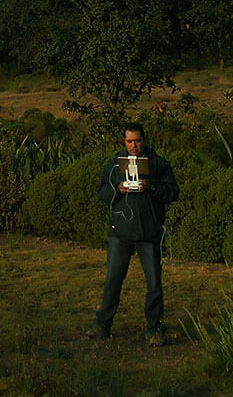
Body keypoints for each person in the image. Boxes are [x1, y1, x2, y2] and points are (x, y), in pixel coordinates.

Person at [88, 122, 179, 346]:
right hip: (120, 233)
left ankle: (154, 329)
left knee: (154, 284)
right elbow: (102, 192)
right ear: (124, 141)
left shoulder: (158, 163)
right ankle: (102, 326)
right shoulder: (114, 165)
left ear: (144, 140)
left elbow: (173, 191)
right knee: (113, 280)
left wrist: (154, 188)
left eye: (137, 141)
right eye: (129, 141)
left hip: (149, 234)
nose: (133, 145)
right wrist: (117, 190)